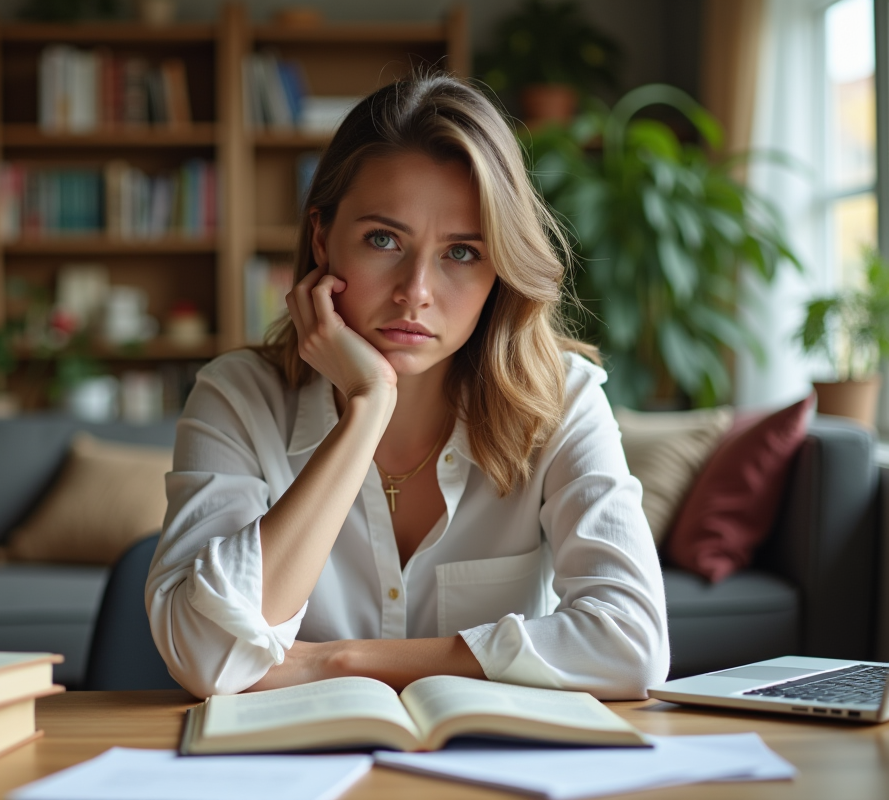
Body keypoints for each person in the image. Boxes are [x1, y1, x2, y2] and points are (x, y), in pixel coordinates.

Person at [146, 72, 669, 700]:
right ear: (322, 239)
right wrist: (367, 408)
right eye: (383, 239)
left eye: (462, 252)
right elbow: (204, 656)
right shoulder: (237, 397)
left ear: (501, 267)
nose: (415, 291)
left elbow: (632, 645)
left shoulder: (563, 400)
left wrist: (334, 661)